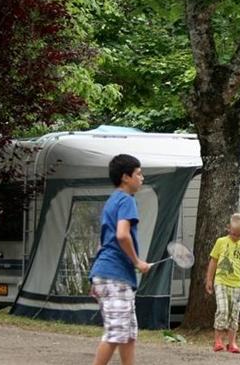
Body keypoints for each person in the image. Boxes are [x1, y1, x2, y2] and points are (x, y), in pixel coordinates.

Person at [88, 154, 150, 365]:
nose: (142, 178)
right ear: (126, 177)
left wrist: (97, 277)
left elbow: (104, 240)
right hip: (115, 275)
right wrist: (137, 262)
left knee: (128, 333)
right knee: (116, 333)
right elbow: (122, 235)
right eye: (139, 173)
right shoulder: (127, 200)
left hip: (108, 274)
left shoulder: (113, 200)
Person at [205, 213, 240, 353]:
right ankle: (218, 340)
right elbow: (213, 261)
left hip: (237, 284)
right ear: (228, 228)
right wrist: (209, 279)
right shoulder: (221, 242)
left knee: (234, 313)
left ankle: (232, 343)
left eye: (239, 235)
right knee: (223, 309)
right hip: (221, 281)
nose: (236, 237)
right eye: (234, 233)